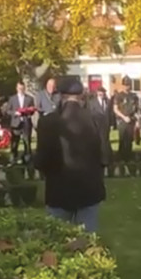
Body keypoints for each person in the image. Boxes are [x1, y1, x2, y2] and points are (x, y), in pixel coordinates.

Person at [35, 77, 106, 233]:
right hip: (89, 190)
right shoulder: (97, 119)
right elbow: (105, 156)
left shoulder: (47, 122)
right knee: (87, 240)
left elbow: (41, 161)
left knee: (57, 239)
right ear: (82, 95)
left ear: (60, 96)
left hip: (58, 190)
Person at [7, 81, 36, 164]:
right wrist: (15, 113)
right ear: (16, 88)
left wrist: (28, 111)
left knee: (27, 141)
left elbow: (32, 111)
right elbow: (8, 110)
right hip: (16, 123)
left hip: (26, 123)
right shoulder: (12, 98)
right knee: (14, 142)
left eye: (22, 88)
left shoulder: (29, 98)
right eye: (19, 88)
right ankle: (13, 158)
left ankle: (27, 158)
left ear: (24, 88)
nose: (21, 90)